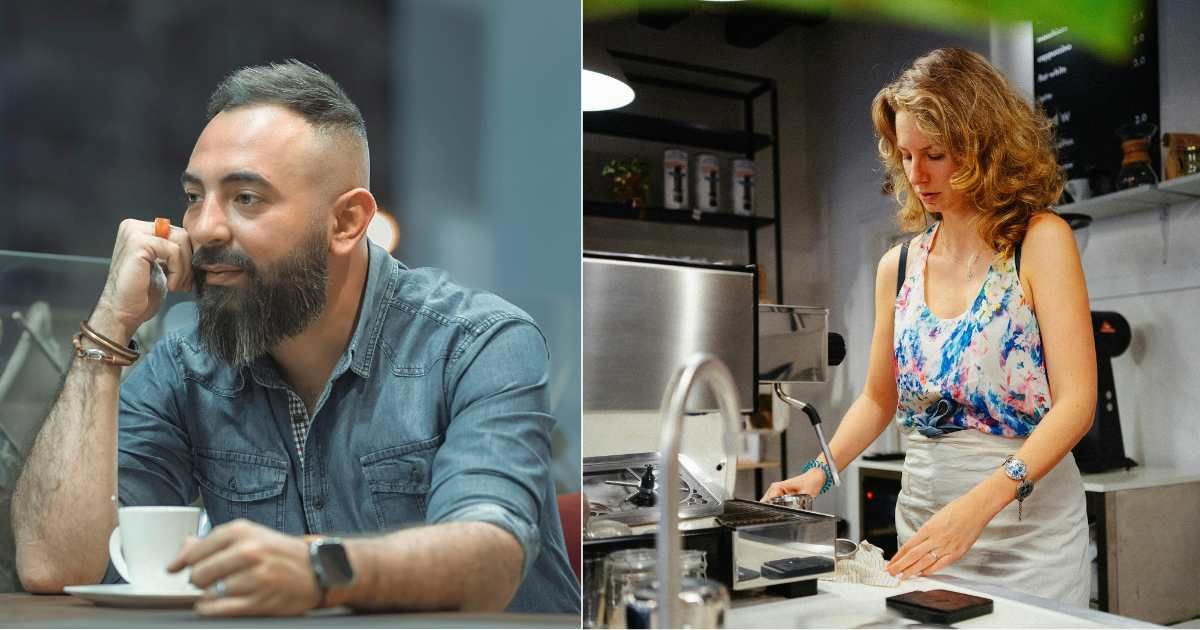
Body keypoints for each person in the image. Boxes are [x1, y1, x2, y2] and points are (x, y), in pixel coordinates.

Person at [12, 60, 579, 616]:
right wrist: (110, 325)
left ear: (346, 223)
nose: (203, 227)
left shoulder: (480, 344)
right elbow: (52, 566)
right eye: (193, 196)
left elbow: (491, 557)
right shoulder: (188, 365)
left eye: (246, 198)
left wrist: (317, 572)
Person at [763, 47, 1096, 606]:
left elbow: (1077, 402)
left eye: (936, 155)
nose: (917, 175)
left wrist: (978, 504)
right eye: (906, 154)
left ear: (983, 146)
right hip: (925, 534)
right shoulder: (897, 268)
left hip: (1029, 536)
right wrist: (817, 472)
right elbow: (876, 398)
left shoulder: (1039, 242)